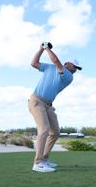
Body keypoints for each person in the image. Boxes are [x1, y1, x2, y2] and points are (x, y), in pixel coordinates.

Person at [28, 42, 82, 172]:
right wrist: (41, 49)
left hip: (48, 105)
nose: (75, 70)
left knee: (55, 132)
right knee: (44, 129)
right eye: (75, 67)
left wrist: (47, 48)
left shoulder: (68, 76)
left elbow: (56, 61)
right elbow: (34, 63)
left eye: (76, 68)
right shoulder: (49, 67)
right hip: (36, 101)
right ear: (67, 64)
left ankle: (44, 159)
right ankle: (38, 163)